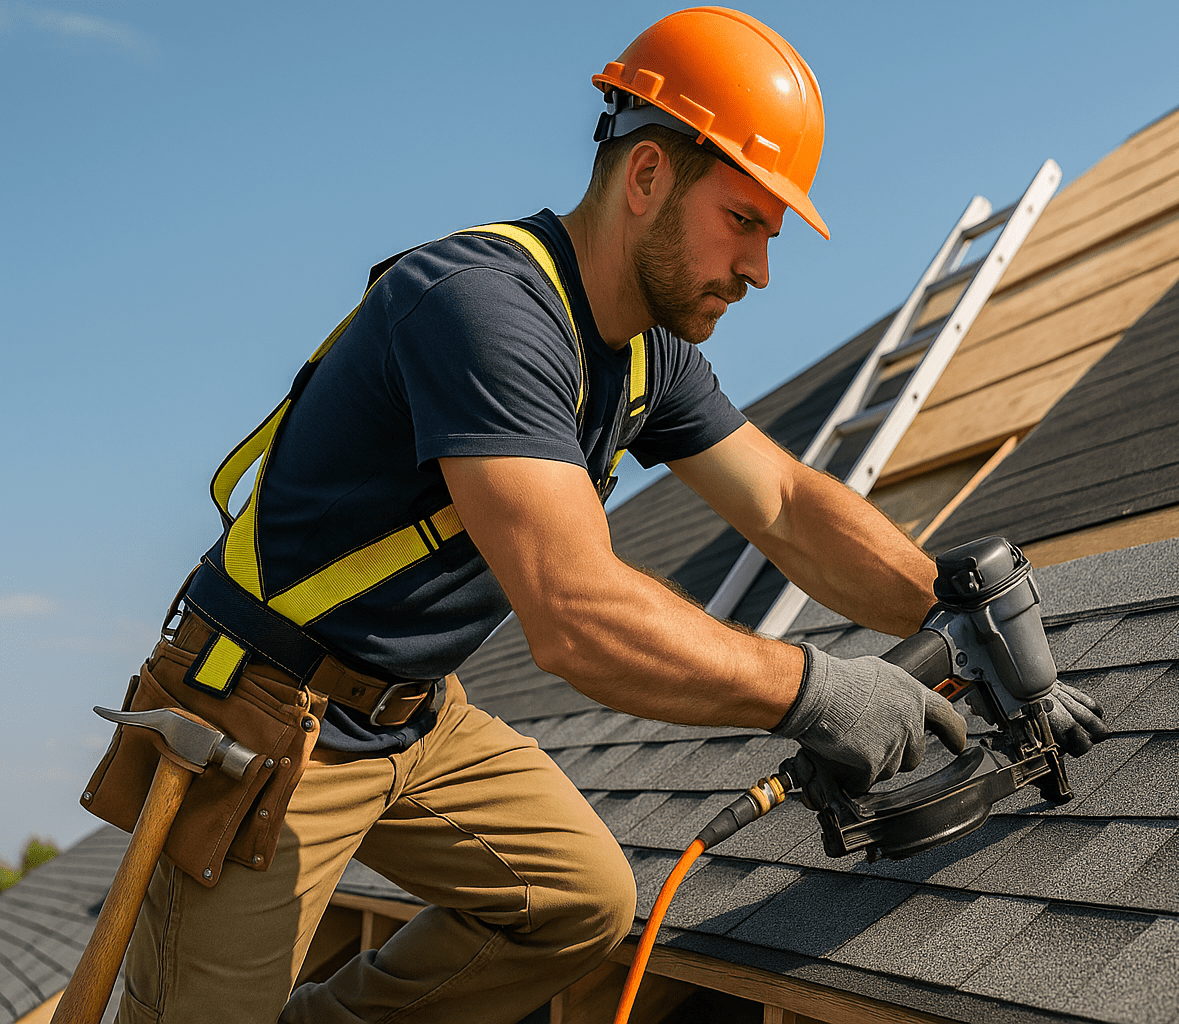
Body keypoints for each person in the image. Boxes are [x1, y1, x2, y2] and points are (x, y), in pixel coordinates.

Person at [83, 8, 1107, 1023]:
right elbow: (575, 614)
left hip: (411, 713)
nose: (760, 270)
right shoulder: (482, 307)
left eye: (771, 233)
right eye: (743, 221)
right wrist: (816, 689)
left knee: (580, 903)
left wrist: (972, 624)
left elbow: (790, 506)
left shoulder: (644, 352)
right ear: (648, 176)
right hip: (267, 716)